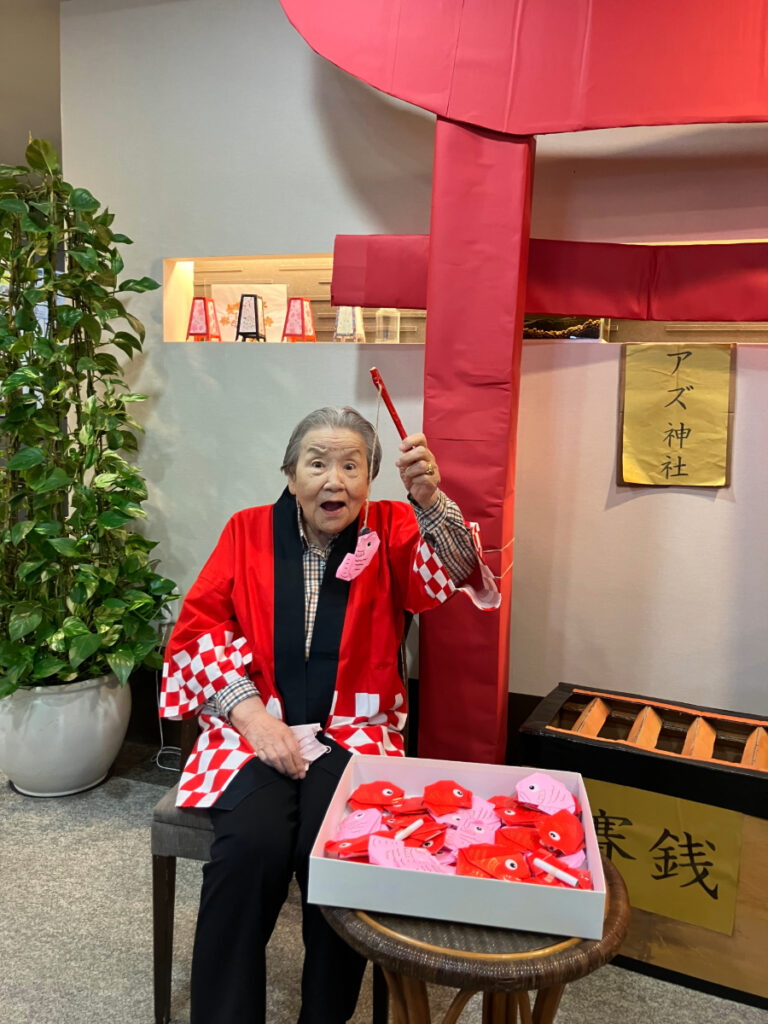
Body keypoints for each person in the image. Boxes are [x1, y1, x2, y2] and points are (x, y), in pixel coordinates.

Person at [160, 406, 498, 1024]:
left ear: (370, 481)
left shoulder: (394, 528)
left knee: (341, 852)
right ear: (291, 475)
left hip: (355, 731)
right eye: (317, 464)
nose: (333, 481)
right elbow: (197, 631)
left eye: (351, 466)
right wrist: (252, 717)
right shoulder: (246, 531)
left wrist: (430, 501)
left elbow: (450, 572)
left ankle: (326, 1015)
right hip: (255, 726)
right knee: (249, 848)